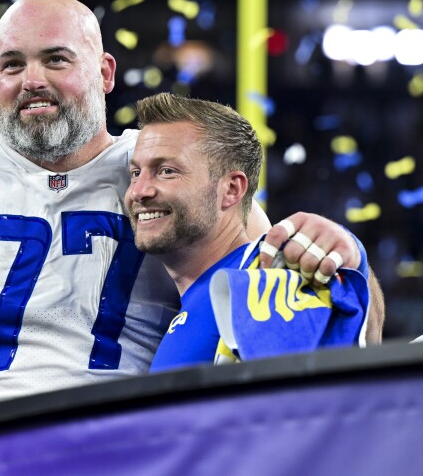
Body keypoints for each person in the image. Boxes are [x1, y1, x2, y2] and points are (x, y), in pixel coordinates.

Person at [0, 0, 383, 450]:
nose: (32, 80)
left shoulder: (161, 170)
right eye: (12, 65)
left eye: (56, 59)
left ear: (104, 72)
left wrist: (344, 257)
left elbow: (299, 297)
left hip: (127, 450)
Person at [124, 93, 371, 372]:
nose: (138, 191)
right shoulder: (199, 302)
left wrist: (353, 258)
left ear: (231, 190)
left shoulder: (268, 282)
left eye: (166, 171)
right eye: (135, 173)